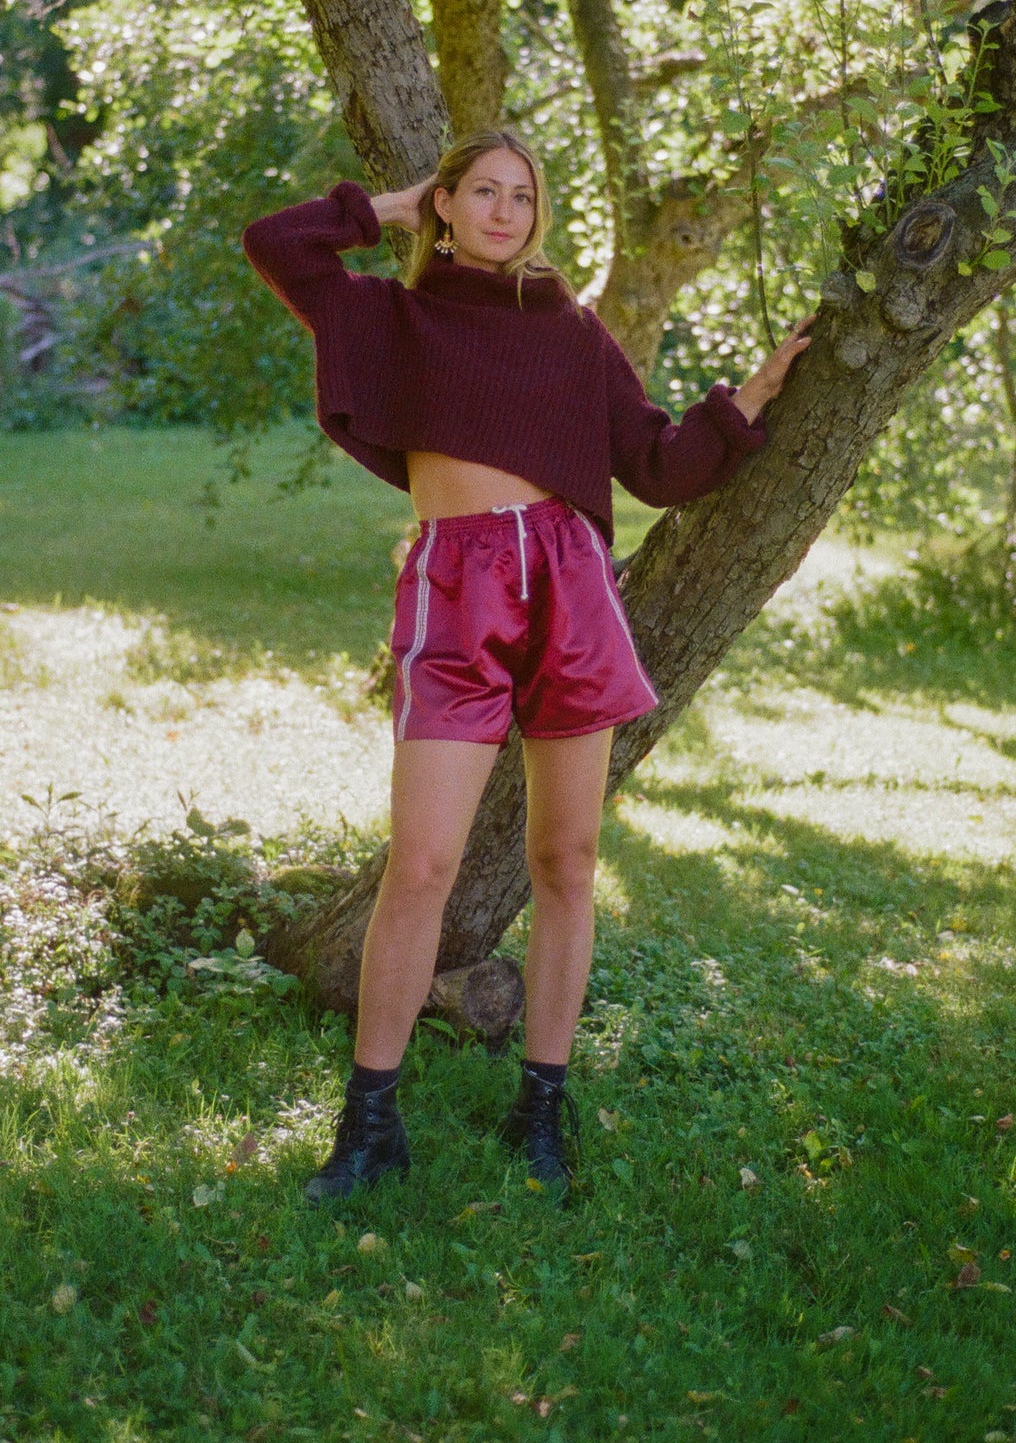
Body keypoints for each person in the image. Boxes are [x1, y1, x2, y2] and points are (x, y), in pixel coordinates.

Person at [242, 128, 812, 1201]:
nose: (505, 211)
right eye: (482, 192)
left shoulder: (568, 331)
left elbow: (654, 461)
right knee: (418, 864)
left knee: (567, 857)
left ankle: (541, 1107)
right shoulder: (393, 316)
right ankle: (368, 1124)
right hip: (455, 589)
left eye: (523, 195)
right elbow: (277, 244)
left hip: (567, 584)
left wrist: (748, 397)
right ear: (448, 205)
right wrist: (390, 205)